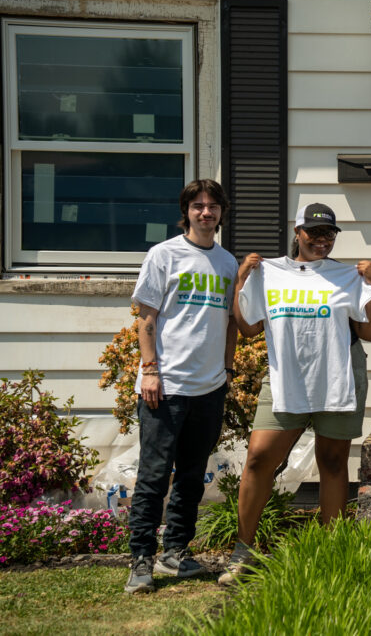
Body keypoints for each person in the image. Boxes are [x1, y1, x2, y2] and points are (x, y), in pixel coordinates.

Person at [219, 203, 371, 584]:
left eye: (329, 234)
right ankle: (243, 552)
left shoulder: (346, 275)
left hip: (338, 375)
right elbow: (248, 328)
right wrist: (242, 280)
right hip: (284, 377)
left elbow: (370, 332)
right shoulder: (269, 272)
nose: (322, 240)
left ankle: (332, 553)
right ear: (297, 233)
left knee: (332, 460)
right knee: (259, 457)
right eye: (314, 233)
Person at [124, 179, 239, 594]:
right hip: (166, 386)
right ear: (186, 211)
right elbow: (146, 318)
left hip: (208, 388)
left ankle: (174, 552)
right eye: (198, 206)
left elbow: (229, 322)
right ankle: (141, 561)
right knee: (154, 475)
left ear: (222, 212)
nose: (205, 212)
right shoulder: (164, 255)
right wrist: (150, 370)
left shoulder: (228, 263)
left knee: (192, 476)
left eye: (212, 206)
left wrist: (226, 372)